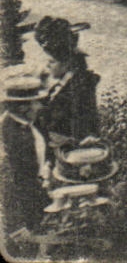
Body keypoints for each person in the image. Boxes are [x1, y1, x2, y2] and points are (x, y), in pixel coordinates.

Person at [32, 15, 100, 150]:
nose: (47, 66)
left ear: (68, 63)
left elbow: (81, 129)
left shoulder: (79, 89)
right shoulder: (66, 83)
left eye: (51, 62)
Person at [2, 74, 50, 253]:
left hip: (37, 201)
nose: (40, 106)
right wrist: (18, 225)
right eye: (36, 102)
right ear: (23, 107)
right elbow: (9, 183)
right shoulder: (8, 134)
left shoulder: (31, 124)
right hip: (23, 213)